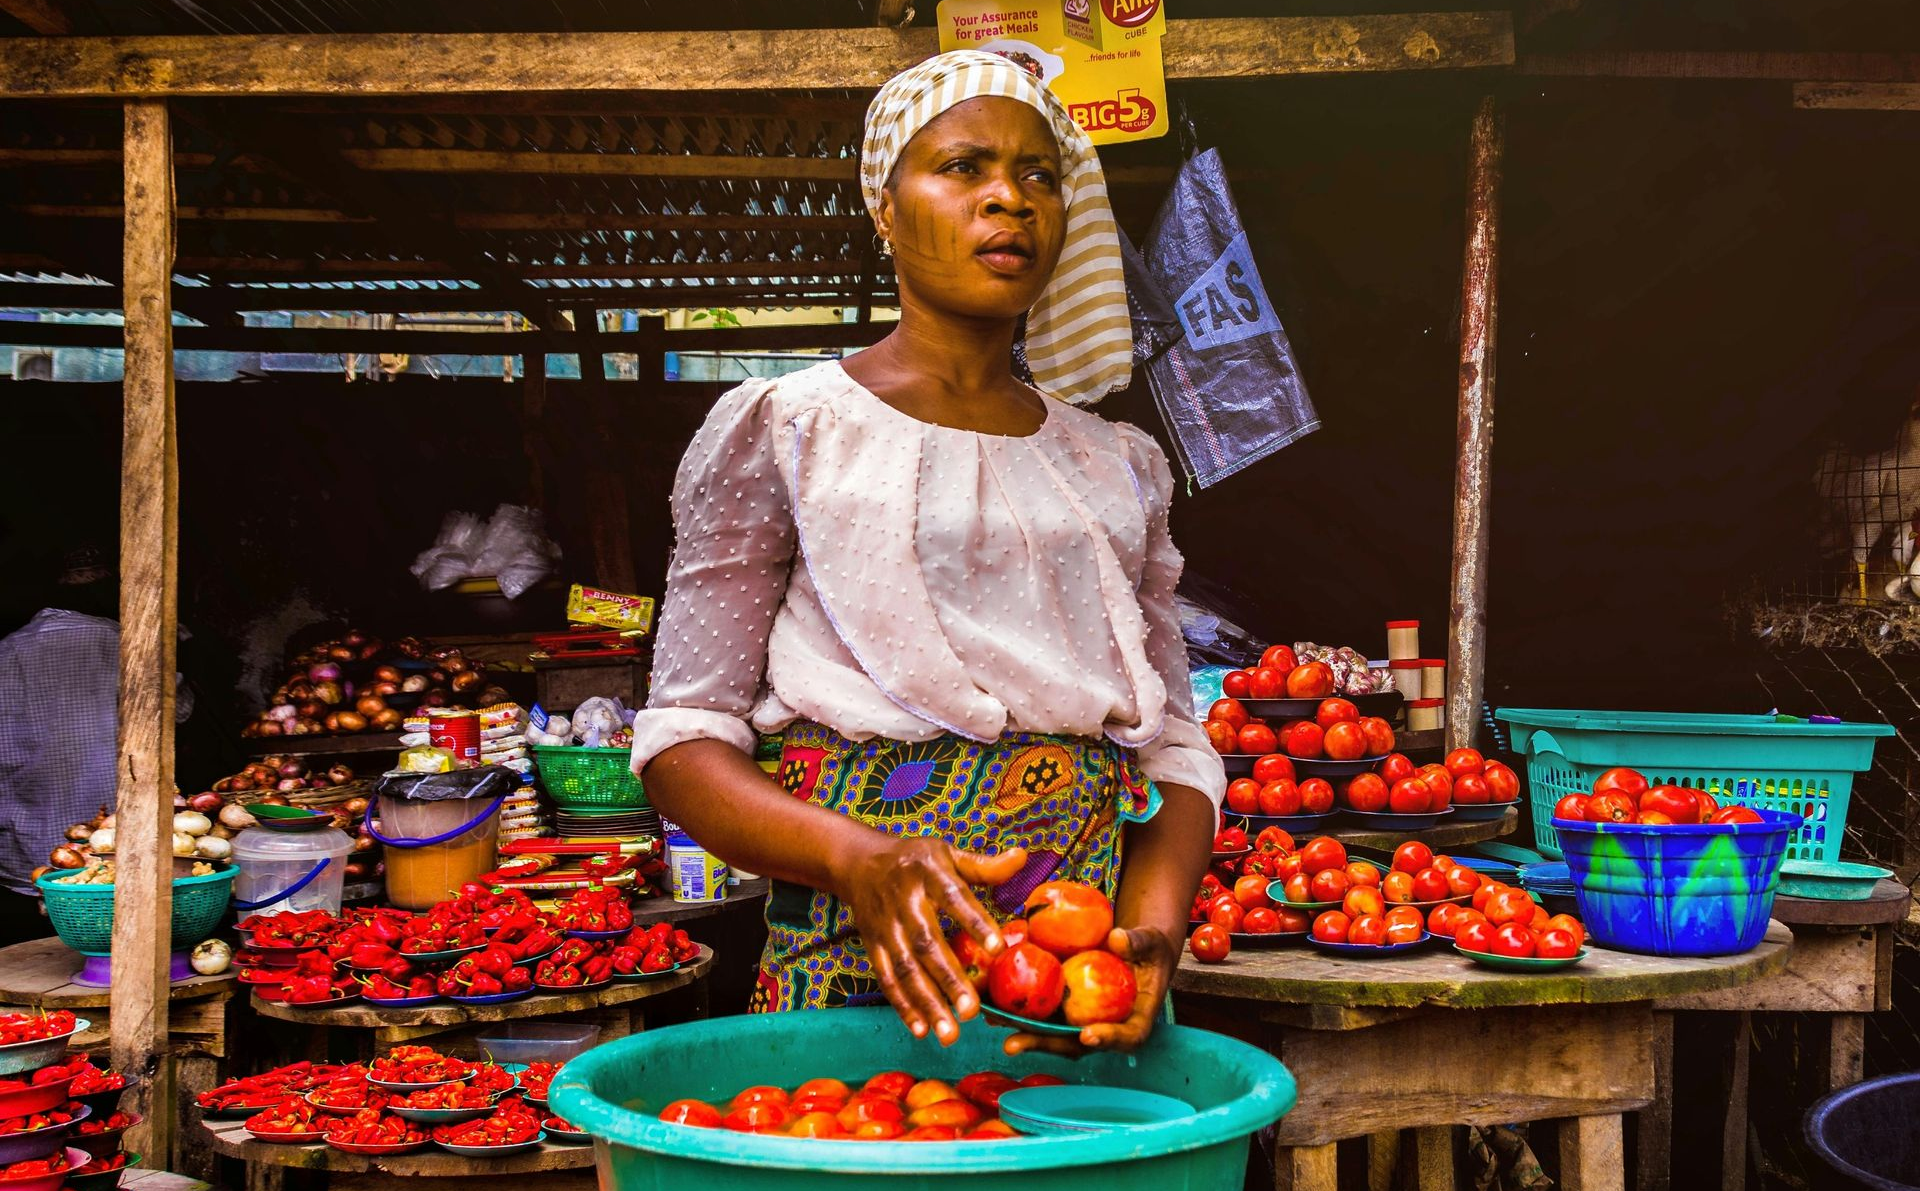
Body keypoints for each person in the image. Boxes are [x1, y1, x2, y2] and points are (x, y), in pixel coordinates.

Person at [631, 50, 1224, 1055]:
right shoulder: (788, 427)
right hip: (857, 954)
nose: (1010, 197)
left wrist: (1150, 936)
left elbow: (1171, 747)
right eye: (964, 167)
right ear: (887, 209)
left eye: (1041, 175)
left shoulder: (1117, 463)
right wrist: (861, 861)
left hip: (1078, 985)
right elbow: (684, 740)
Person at [0, 548, 123, 946]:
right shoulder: (122, 640)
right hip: (111, 841)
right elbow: (179, 709)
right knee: (110, 932)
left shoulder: (7, 651)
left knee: (39, 948)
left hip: (28, 843)